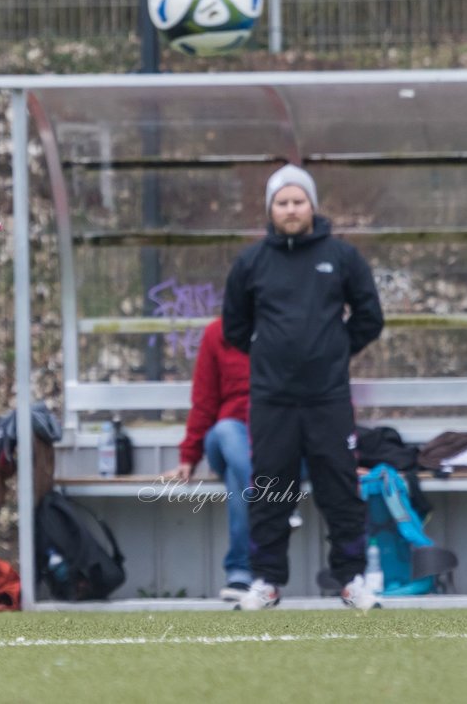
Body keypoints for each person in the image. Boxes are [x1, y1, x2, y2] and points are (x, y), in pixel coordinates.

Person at [222, 163, 384, 611]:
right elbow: (235, 327)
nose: (291, 209)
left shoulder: (343, 257)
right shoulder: (251, 262)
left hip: (328, 398)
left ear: (312, 205)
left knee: (340, 490)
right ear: (270, 209)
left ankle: (351, 579)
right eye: (282, 202)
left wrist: (332, 350)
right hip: (272, 400)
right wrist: (272, 352)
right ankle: (267, 583)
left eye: (298, 201)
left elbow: (370, 317)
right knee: (271, 491)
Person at [161, 317, 253, 601]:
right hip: (227, 437)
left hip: (274, 440)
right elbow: (204, 399)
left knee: (240, 478)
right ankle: (268, 494)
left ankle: (241, 574)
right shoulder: (218, 333)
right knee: (228, 432)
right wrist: (189, 455)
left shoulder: (288, 326)